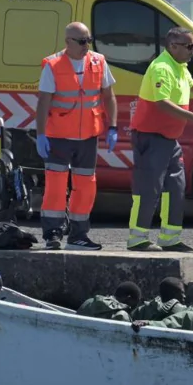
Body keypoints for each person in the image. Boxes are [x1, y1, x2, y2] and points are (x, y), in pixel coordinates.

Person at [128, 27, 193, 251]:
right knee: (148, 188)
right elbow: (162, 103)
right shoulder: (162, 67)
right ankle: (137, 238)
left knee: (176, 187)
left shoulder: (179, 66)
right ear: (173, 46)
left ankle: (170, 238)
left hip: (170, 140)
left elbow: (190, 83)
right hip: (151, 138)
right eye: (189, 46)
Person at [35, 21, 118, 251]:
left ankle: (78, 235)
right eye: (82, 41)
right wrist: (41, 134)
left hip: (88, 136)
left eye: (88, 40)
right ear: (68, 42)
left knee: (86, 186)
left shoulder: (98, 62)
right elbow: (43, 102)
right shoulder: (53, 65)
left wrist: (112, 127)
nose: (86, 45)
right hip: (59, 136)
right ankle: (52, 233)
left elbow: (109, 96)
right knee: (55, 186)